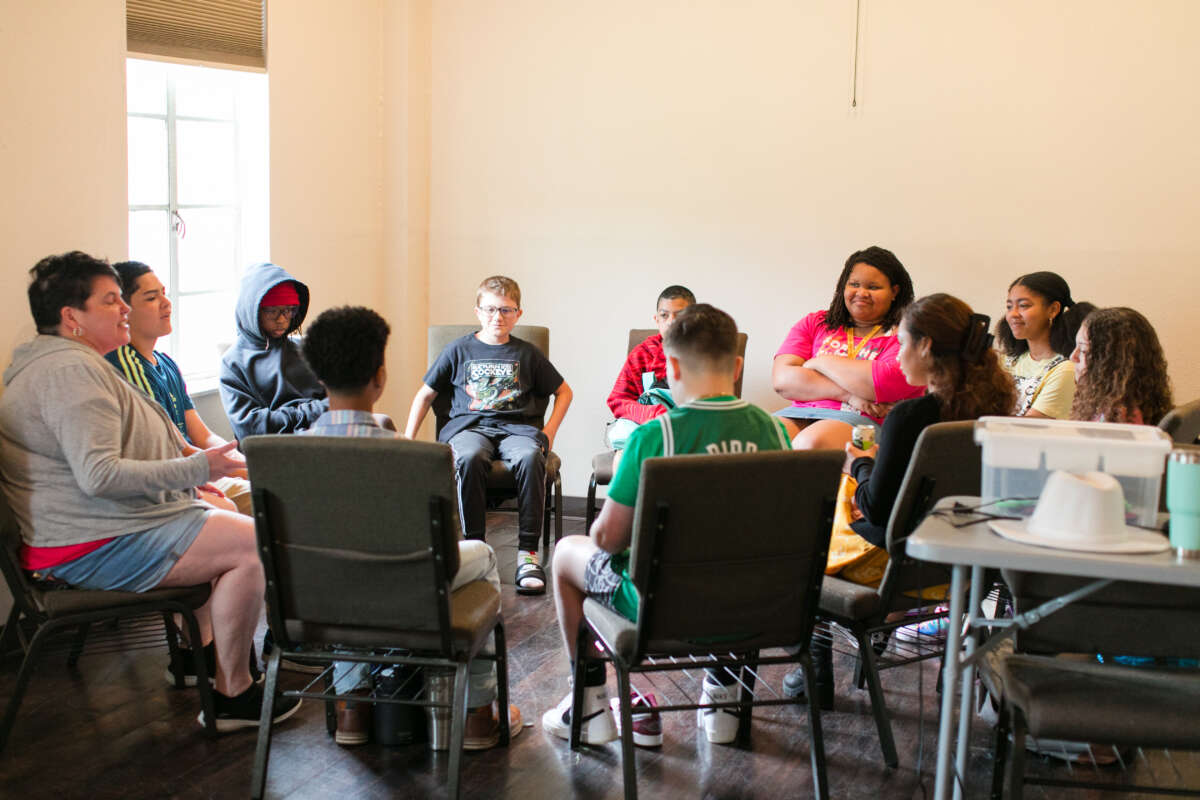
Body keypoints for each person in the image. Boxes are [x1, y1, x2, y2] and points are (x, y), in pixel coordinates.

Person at [0, 251, 299, 731]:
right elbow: (99, 475)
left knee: (230, 525)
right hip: (88, 544)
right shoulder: (69, 374)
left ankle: (204, 664)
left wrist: (196, 473)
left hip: (96, 531)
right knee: (253, 545)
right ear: (72, 317)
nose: (123, 308)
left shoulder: (67, 365)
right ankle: (234, 694)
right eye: (110, 300)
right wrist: (197, 467)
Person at [542, 304, 792, 748]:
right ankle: (723, 697)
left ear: (671, 367)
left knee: (565, 555)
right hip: (754, 604)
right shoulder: (775, 433)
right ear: (736, 367)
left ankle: (590, 704)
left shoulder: (654, 438)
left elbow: (609, 539)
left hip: (665, 608)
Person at [299, 305, 522, 750]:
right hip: (408, 589)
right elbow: (440, 547)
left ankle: (352, 709)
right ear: (380, 377)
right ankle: (478, 715)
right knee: (483, 555)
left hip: (319, 597)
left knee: (348, 580)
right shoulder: (415, 459)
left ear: (318, 378)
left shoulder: (287, 454)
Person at [782, 293, 1016, 706]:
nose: (896, 355)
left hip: (894, 563)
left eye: (902, 343)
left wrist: (860, 464)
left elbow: (878, 511)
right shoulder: (995, 412)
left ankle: (814, 670)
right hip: (961, 566)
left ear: (926, 347)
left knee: (805, 527)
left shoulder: (910, 418)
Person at [404, 276, 572, 595]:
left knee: (529, 457)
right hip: (469, 429)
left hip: (517, 430)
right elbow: (424, 395)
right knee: (467, 457)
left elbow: (564, 392)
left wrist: (549, 432)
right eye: (491, 309)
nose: (498, 317)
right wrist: (408, 440)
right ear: (478, 311)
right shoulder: (457, 350)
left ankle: (527, 554)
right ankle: (476, 550)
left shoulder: (527, 353)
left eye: (506, 310)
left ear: (518, 314)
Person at [106, 261, 251, 515]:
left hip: (196, 466)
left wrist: (239, 461)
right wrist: (231, 468)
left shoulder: (166, 363)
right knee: (264, 498)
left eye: (164, 293)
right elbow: (170, 448)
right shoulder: (126, 365)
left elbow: (203, 435)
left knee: (274, 484)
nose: (166, 303)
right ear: (124, 310)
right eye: (152, 298)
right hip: (176, 476)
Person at [772, 246, 924, 450]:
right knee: (763, 436)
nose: (861, 293)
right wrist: (850, 395)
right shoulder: (816, 322)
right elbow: (783, 380)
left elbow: (880, 383)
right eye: (854, 284)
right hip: (801, 412)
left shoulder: (904, 332)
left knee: (810, 444)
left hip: (865, 421)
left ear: (894, 292)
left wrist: (820, 362)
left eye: (873, 287)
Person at [219, 262, 328, 441]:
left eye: (289, 310)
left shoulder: (305, 349)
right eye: (272, 311)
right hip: (273, 450)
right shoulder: (233, 363)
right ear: (252, 310)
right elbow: (252, 428)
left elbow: (341, 402)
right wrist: (314, 412)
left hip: (323, 440)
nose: (282, 320)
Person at [604, 285, 695, 449]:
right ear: (656, 319)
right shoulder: (642, 354)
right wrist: (652, 413)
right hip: (649, 429)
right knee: (622, 450)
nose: (671, 322)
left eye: (680, 315)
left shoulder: (706, 354)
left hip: (691, 430)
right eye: (664, 315)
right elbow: (617, 399)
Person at [995, 271, 1093, 419]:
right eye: (1009, 307)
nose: (1012, 314)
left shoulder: (1066, 369)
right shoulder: (1005, 361)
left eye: (1023, 305)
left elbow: (1029, 427)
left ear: (1053, 310)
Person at [1070, 306, 1173, 425]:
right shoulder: (1117, 406)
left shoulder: (1119, 419)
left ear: (1111, 362)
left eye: (1083, 350)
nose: (1073, 356)